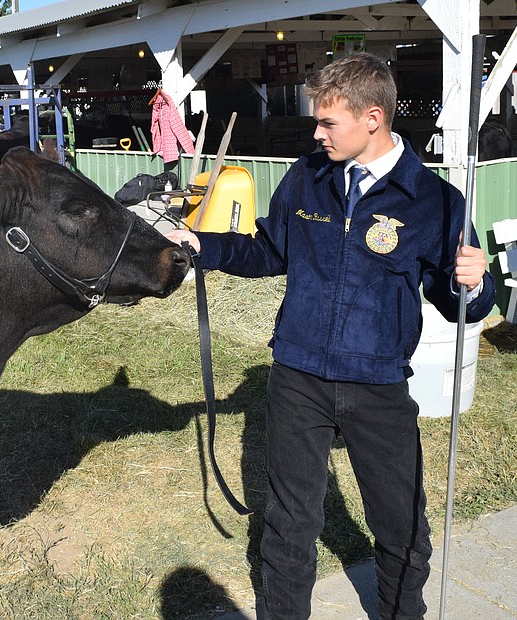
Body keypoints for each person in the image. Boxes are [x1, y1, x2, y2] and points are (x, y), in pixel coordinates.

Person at [167, 53, 494, 620]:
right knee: (291, 526)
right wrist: (206, 247)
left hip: (378, 383)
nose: (315, 133)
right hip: (298, 377)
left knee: (401, 526)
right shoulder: (307, 177)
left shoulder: (436, 201)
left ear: (373, 118)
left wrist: (477, 282)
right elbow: (271, 248)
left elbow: (459, 301)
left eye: (327, 123)